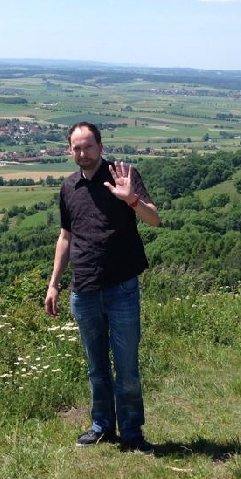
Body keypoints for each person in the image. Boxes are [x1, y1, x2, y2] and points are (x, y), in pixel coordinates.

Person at [44, 121, 160, 452]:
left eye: (88, 146)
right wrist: (54, 284)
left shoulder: (124, 175)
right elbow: (65, 237)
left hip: (121, 287)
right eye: (76, 148)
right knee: (96, 368)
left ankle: (133, 434)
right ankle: (102, 427)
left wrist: (132, 200)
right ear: (70, 150)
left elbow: (155, 218)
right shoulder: (68, 188)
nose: (83, 152)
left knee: (126, 370)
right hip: (84, 289)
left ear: (101, 146)